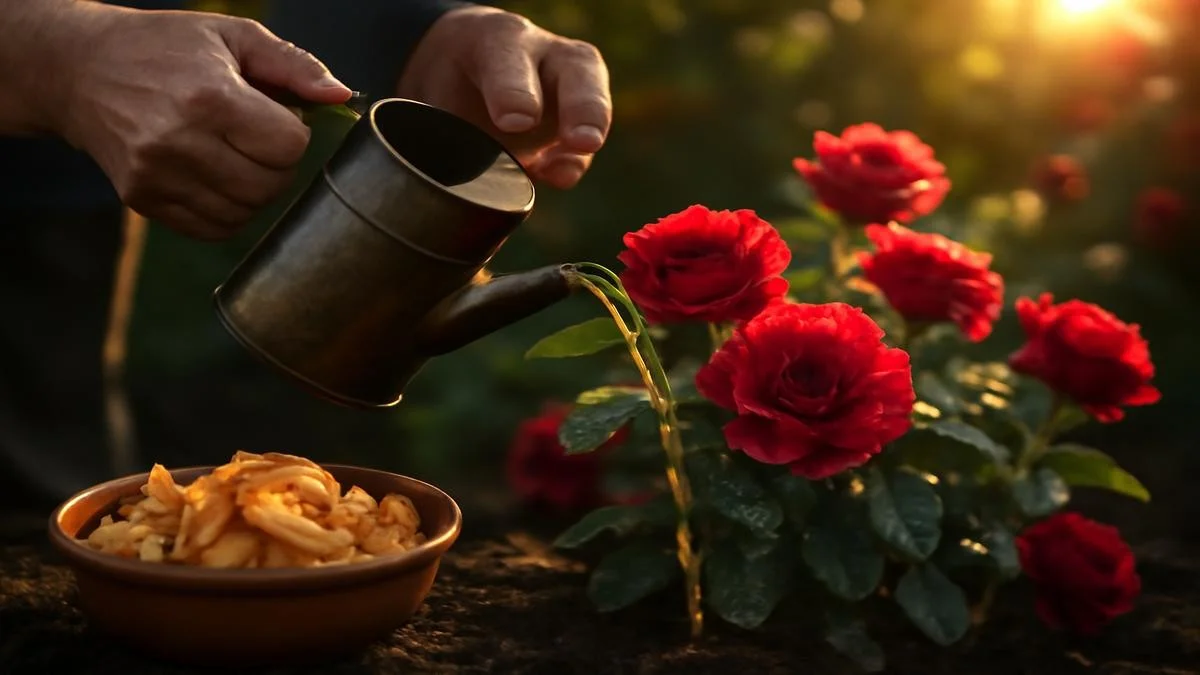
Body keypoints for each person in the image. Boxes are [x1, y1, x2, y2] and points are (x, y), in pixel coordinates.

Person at [0, 0, 612, 510]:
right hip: (51, 111)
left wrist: (416, 27)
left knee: (58, 525)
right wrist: (48, 55)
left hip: (57, 201)